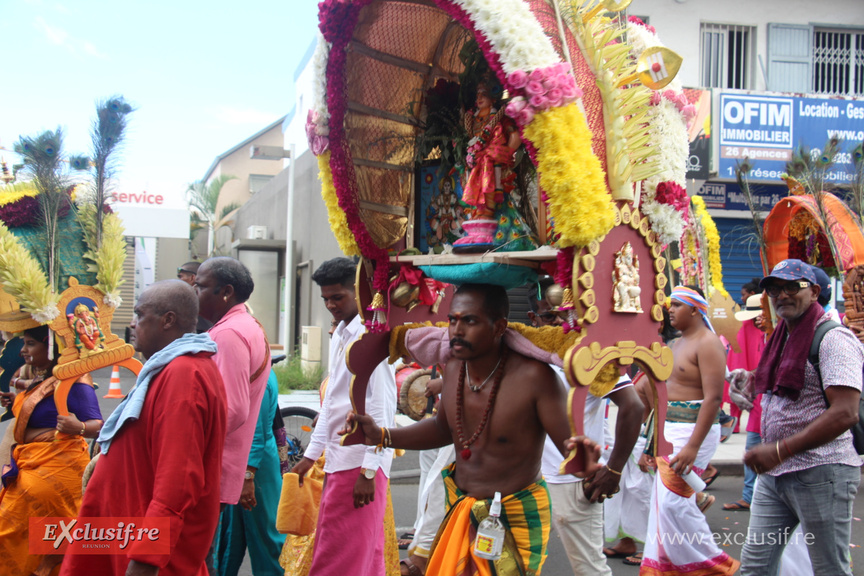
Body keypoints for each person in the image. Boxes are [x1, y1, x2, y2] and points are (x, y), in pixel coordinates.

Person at [346, 283, 600, 576]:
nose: (456, 330)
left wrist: (583, 463)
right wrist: (383, 435)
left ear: (499, 327)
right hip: (460, 509)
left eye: (469, 321)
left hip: (513, 516)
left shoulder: (536, 378)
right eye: (453, 320)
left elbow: (570, 447)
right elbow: (443, 429)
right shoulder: (454, 368)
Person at [60, 280, 227, 576]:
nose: (132, 323)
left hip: (144, 551)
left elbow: (178, 481)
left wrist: (147, 558)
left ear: (168, 320)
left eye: (139, 314)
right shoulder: (171, 368)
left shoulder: (184, 375)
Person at [740, 259, 862, 575]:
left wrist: (780, 450)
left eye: (793, 287)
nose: (782, 295)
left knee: (829, 569)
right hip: (775, 474)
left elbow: (845, 413)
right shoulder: (782, 336)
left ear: (815, 292)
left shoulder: (834, 339)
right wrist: (751, 380)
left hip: (821, 471)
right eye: (775, 289)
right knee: (754, 566)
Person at [291, 257, 398, 576]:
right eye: (325, 299)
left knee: (340, 555)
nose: (330, 305)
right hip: (341, 459)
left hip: (358, 462)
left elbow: (381, 409)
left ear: (358, 291)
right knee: (356, 552)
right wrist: (310, 456)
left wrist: (369, 472)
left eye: (337, 297)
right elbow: (333, 403)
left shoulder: (370, 335)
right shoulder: (342, 332)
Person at [529, 283, 643, 576]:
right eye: (549, 316)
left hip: (572, 480)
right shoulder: (526, 351)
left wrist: (614, 470)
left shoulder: (590, 353)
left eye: (565, 315)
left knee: (589, 569)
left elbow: (633, 407)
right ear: (533, 318)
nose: (559, 322)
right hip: (524, 477)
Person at [640, 286, 740, 575]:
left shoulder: (708, 343)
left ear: (695, 310)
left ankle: (714, 567)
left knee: (674, 504)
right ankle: (671, 568)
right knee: (663, 505)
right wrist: (650, 443)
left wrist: (693, 447)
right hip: (668, 430)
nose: (669, 310)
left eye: (677, 305)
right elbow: (661, 395)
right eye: (670, 305)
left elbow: (713, 398)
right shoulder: (675, 344)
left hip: (692, 432)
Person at [0, 325, 103, 576]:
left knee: (27, 537)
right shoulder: (44, 377)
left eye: (30, 344)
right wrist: (16, 403)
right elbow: (42, 413)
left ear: (51, 347)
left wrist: (79, 427)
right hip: (30, 465)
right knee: (16, 535)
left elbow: (98, 425)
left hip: (57, 472)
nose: (23, 351)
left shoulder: (75, 379)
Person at [194, 257, 270, 574]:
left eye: (200, 286)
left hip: (210, 465)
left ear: (226, 292)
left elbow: (232, 408)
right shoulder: (245, 325)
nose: (194, 292)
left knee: (195, 556)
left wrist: (185, 439)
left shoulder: (229, 334)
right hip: (219, 464)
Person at [216, 369, 286, 575]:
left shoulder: (256, 378)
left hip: (254, 470)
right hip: (243, 467)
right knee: (231, 536)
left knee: (266, 539)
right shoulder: (254, 372)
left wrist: (247, 476)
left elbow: (256, 433)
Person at [723, 292, 767, 512]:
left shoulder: (773, 335)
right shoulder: (758, 333)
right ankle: (750, 496)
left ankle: (756, 497)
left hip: (768, 404)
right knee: (752, 449)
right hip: (760, 402)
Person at [177, 261, 213, 333]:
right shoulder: (212, 295)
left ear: (192, 278)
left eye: (181, 277)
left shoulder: (190, 298)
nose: (179, 281)